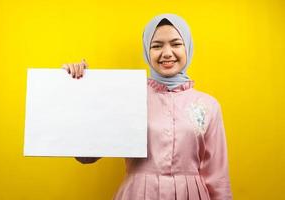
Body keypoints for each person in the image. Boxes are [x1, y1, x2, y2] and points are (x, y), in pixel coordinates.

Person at [62, 13, 232, 200]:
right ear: (146, 50)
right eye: (157, 45)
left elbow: (218, 178)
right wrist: (80, 88)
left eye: (176, 44)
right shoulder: (128, 96)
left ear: (188, 47)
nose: (167, 53)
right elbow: (85, 156)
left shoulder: (208, 105)